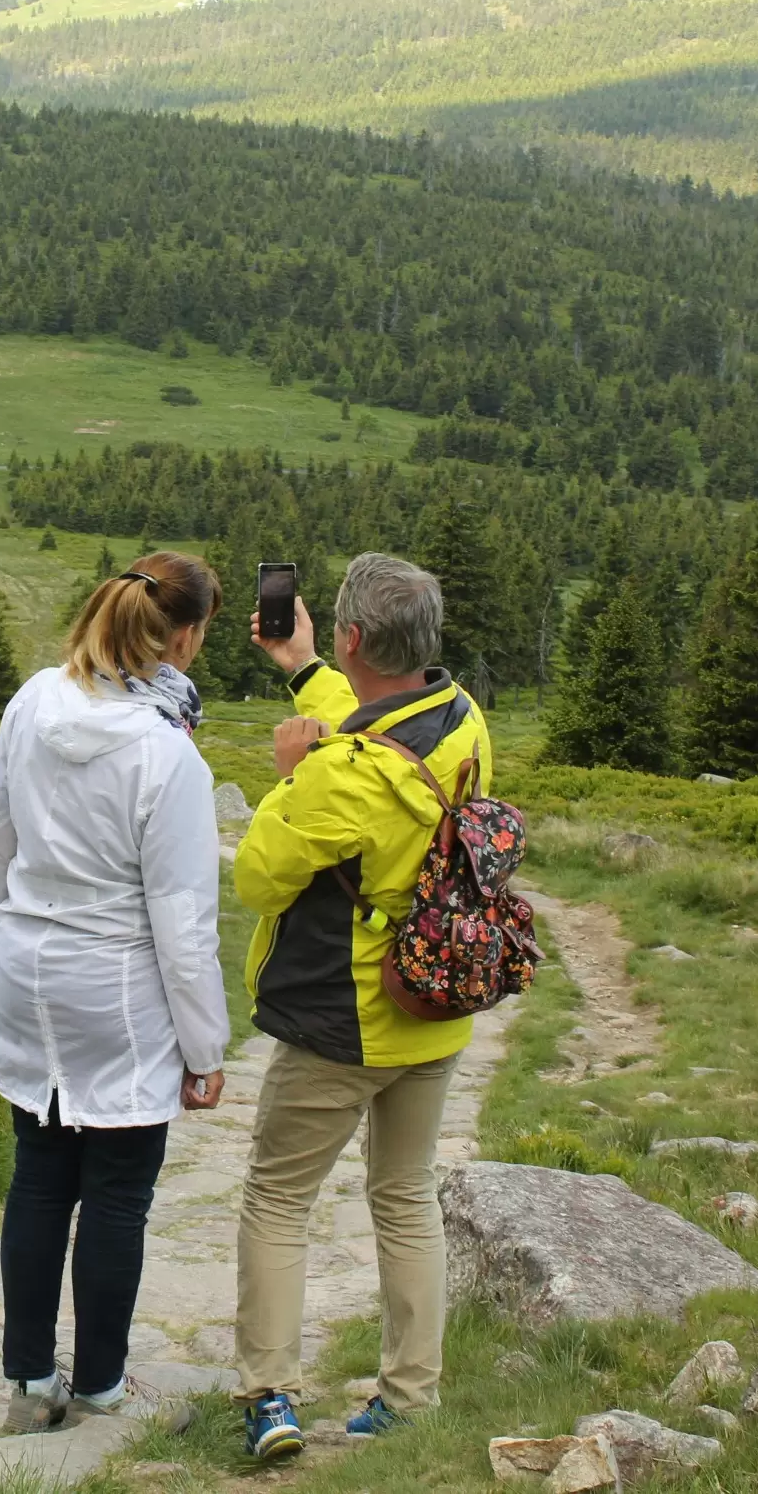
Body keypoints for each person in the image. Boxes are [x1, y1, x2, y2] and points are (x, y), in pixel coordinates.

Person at [229, 552, 493, 1460]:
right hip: (435, 1009)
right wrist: (303, 667)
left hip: (344, 1021)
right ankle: (411, 1394)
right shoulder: (462, 722)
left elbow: (259, 875)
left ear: (353, 635)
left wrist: (289, 774)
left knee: (277, 1198)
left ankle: (271, 1397)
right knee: (405, 1192)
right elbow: (378, 733)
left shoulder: (338, 776)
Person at [0, 551, 230, 1436]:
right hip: (118, 988)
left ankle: (29, 1377)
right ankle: (103, 1383)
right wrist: (205, 1051)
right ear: (185, 637)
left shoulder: (34, 700)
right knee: (118, 1191)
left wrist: (2, 948)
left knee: (39, 1174)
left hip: (29, 965)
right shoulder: (168, 757)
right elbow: (184, 925)